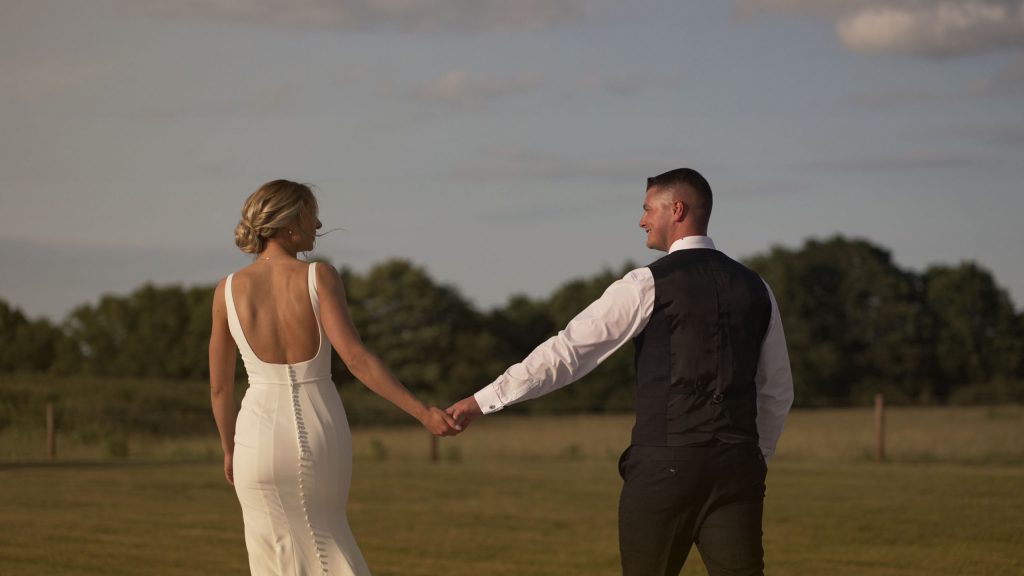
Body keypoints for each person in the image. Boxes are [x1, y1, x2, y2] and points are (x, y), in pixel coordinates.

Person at [448, 168, 794, 576]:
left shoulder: (646, 283)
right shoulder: (757, 287)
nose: (642, 220)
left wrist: (482, 401)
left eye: (648, 209)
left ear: (676, 210)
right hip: (738, 467)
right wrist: (755, 458)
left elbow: (568, 353)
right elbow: (777, 390)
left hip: (665, 467)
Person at [209, 179, 459, 576]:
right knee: (326, 539)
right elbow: (357, 359)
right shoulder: (318, 277)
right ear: (290, 221)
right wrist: (423, 412)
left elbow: (221, 387)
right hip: (317, 426)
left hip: (253, 439)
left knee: (269, 557)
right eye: (311, 215)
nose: (319, 224)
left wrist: (228, 450)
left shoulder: (226, 291)